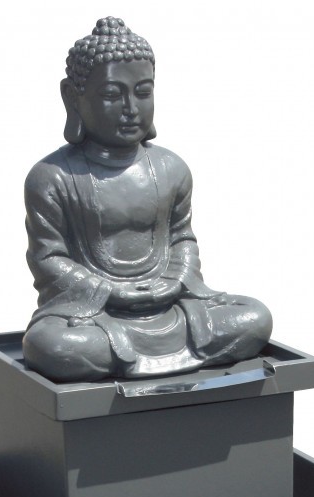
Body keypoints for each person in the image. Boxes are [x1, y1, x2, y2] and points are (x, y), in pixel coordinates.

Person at [22, 17, 273, 381]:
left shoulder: (171, 168)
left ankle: (141, 360)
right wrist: (110, 292)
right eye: (112, 95)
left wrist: (177, 280)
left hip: (173, 307)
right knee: (54, 346)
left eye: (142, 92)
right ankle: (163, 356)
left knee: (254, 317)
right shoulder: (52, 177)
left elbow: (182, 238)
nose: (130, 108)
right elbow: (48, 258)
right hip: (96, 316)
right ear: (72, 98)